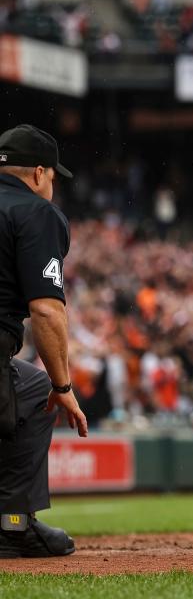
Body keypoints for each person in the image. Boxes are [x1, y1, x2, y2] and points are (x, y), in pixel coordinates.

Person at [0, 124, 88, 558]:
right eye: (53, 176)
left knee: (26, 386)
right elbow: (46, 309)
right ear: (38, 173)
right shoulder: (35, 211)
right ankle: (11, 524)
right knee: (40, 393)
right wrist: (64, 386)